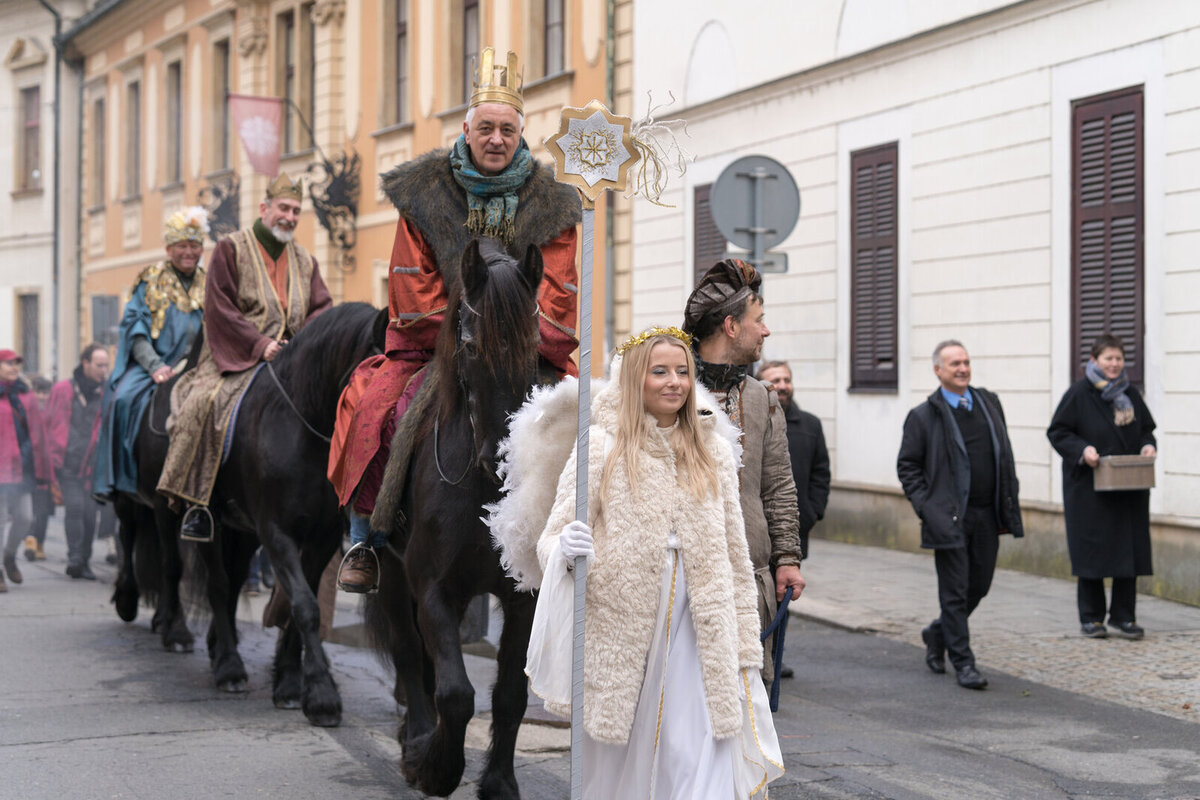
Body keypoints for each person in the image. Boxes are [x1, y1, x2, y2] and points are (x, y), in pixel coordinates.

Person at [330, 46, 580, 592]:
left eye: (507, 130)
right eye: (486, 128)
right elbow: (411, 287)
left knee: (590, 422)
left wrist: (515, 331)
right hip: (439, 345)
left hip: (527, 348)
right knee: (372, 403)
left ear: (521, 134)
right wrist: (467, 327)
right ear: (468, 129)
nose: (496, 139)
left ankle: (588, 537)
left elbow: (559, 291)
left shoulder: (554, 204)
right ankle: (365, 538)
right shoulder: (424, 194)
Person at [510, 327, 783, 797]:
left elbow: (735, 554)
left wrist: (742, 645)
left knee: (696, 745)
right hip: (625, 623)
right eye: (660, 372)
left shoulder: (712, 450)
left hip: (699, 625)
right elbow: (553, 536)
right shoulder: (599, 445)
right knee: (623, 752)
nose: (674, 382)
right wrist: (566, 549)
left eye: (682, 371)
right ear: (636, 380)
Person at [158, 177, 332, 540]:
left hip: (292, 362)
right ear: (264, 209)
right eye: (283, 208)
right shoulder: (230, 249)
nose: (290, 216)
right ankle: (197, 503)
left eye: (296, 211)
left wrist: (302, 348)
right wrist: (259, 345)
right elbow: (220, 308)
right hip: (234, 357)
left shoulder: (305, 260)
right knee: (202, 404)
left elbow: (322, 309)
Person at [681, 259, 804, 686]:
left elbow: (779, 486)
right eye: (760, 320)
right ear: (731, 326)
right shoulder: (669, 391)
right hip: (681, 580)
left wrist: (787, 558)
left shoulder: (762, 397)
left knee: (747, 700)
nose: (766, 331)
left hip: (748, 581)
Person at [897, 340, 1023, 690]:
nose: (963, 368)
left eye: (966, 362)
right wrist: (928, 508)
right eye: (954, 364)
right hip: (949, 518)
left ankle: (937, 634)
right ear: (938, 370)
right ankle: (964, 662)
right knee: (954, 592)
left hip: (987, 515)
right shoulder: (924, 415)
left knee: (978, 587)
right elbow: (908, 467)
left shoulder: (989, 403)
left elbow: (1004, 454)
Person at [93, 207, 208, 501]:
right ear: (169, 248)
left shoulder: (209, 282)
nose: (189, 252)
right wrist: (155, 366)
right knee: (121, 400)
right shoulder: (151, 279)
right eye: (182, 246)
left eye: (194, 245)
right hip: (154, 365)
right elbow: (134, 328)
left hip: (199, 367)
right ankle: (116, 480)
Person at [1047, 334, 1157, 640]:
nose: (1114, 364)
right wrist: (1083, 451)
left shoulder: (1130, 394)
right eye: (1108, 358)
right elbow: (1058, 432)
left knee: (1128, 553)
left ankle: (1123, 617)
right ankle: (1092, 618)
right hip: (1089, 489)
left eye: (1119, 358)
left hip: (1128, 487)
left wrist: (1148, 446)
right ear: (1094, 361)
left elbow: (1146, 429)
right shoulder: (1078, 394)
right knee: (1091, 554)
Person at [757, 359, 830, 680]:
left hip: (794, 529)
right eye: (775, 380)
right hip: (758, 528)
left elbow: (821, 474)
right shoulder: (754, 419)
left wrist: (812, 513)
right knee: (759, 595)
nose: (783, 385)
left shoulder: (810, 425)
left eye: (786, 379)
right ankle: (760, 652)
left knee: (782, 593)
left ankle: (776, 653)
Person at [46, 344, 109, 579]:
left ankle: (84, 560)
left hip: (93, 465)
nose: (104, 370)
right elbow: (49, 423)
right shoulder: (63, 389)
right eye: (99, 365)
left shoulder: (106, 392)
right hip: (68, 462)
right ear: (86, 363)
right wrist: (52, 459)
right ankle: (75, 558)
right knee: (75, 507)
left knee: (91, 515)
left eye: (106, 365)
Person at [0, 349, 51, 592]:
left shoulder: (25, 395)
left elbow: (37, 431)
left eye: (16, 364)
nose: (13, 368)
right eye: (8, 364)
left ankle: (9, 556)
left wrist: (33, 456)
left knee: (25, 517)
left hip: (22, 468)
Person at [23, 376, 54, 562]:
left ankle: (39, 542)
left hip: (47, 468)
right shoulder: (26, 410)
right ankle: (30, 539)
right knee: (29, 508)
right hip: (30, 468)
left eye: (45, 393)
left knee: (43, 510)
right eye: (38, 392)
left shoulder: (51, 412)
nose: (41, 397)